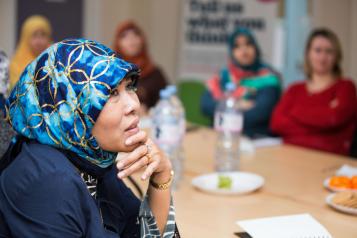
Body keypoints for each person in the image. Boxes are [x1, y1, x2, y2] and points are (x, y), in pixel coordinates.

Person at [0, 39, 177, 237]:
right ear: (70, 108)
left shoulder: (92, 160)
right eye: (111, 93)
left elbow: (143, 234)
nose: (133, 104)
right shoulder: (49, 183)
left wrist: (162, 175)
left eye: (129, 87)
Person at [270, 28, 357, 155]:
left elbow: (333, 118)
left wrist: (296, 112)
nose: (322, 57)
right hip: (289, 156)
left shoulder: (346, 87)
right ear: (308, 54)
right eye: (317, 50)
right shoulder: (294, 89)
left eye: (329, 51)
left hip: (329, 160)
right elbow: (276, 123)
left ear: (336, 56)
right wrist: (322, 126)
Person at [201, 27, 281, 138]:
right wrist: (238, 104)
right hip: (221, 135)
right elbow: (205, 105)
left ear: (255, 48)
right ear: (231, 52)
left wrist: (225, 106)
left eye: (248, 44)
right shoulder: (223, 76)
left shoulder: (268, 78)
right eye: (237, 46)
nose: (244, 50)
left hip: (254, 137)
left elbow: (260, 113)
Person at [113, 21, 168, 112]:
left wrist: (148, 111)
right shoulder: (111, 71)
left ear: (142, 40)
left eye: (135, 35)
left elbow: (166, 103)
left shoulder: (154, 72)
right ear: (117, 42)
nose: (131, 40)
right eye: (124, 36)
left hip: (147, 123)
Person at [9, 15, 52, 89]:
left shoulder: (55, 61)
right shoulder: (15, 65)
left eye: (43, 35)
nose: (39, 41)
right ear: (25, 38)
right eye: (34, 35)